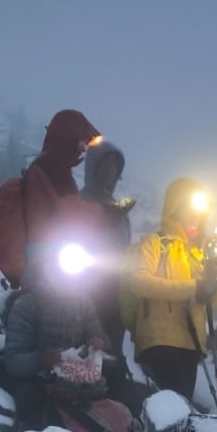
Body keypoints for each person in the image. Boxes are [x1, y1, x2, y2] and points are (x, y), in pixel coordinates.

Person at [1, 245, 139, 432]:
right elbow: (13, 361)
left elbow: (98, 333)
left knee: (116, 369)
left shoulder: (82, 301)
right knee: (30, 398)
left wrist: (98, 340)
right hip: (42, 379)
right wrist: (42, 359)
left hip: (78, 376)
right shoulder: (27, 305)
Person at [125, 177, 217, 402]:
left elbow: (210, 304)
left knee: (181, 407)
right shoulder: (155, 242)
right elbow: (138, 282)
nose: (197, 216)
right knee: (178, 406)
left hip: (191, 344)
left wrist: (214, 284)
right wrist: (193, 287)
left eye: (200, 211)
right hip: (159, 340)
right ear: (176, 208)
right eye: (191, 209)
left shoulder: (198, 254)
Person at [79, 139, 140, 411]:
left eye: (114, 167)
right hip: (88, 292)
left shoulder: (120, 210)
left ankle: (115, 422)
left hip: (117, 296)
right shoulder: (80, 204)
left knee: (112, 357)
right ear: (92, 168)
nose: (109, 172)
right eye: (104, 166)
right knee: (89, 357)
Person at [21, 108, 102, 263]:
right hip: (47, 261)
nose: (84, 148)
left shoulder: (45, 164)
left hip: (41, 255)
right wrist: (107, 211)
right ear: (70, 137)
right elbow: (73, 212)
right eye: (83, 141)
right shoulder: (54, 167)